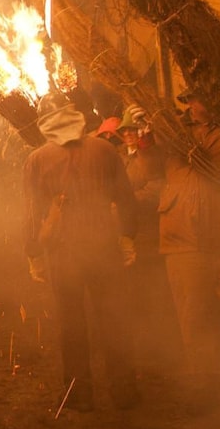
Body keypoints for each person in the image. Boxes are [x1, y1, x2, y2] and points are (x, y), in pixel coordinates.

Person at [24, 91, 140, 412]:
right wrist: (127, 237)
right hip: (104, 248)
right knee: (114, 320)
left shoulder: (38, 159)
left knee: (72, 326)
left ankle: (79, 394)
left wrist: (34, 254)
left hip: (65, 254)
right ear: (74, 114)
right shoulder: (103, 150)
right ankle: (125, 391)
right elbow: (126, 198)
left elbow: (33, 213)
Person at [158, 90, 220, 413]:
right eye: (191, 100)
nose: (195, 106)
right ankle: (204, 382)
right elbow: (144, 159)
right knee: (194, 314)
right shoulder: (171, 131)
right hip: (184, 238)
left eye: (200, 99)